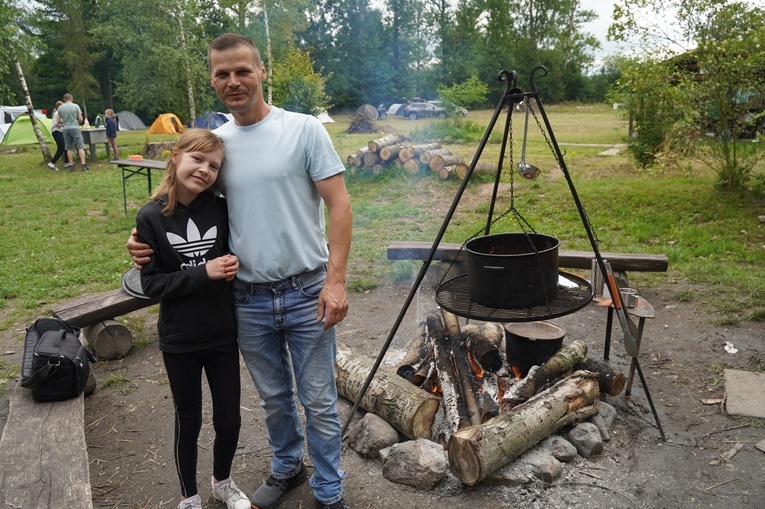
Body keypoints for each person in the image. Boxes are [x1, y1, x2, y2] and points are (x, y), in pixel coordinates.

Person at [128, 33, 353, 509]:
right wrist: (141, 240)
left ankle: (329, 492)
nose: (233, 81)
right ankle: (287, 467)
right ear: (212, 80)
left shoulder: (304, 129)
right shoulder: (219, 146)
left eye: (242, 70)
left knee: (318, 401)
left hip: (306, 288)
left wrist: (335, 281)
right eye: (222, 74)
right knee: (273, 399)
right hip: (246, 299)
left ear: (261, 71)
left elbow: (339, 204)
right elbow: (181, 202)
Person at [135, 128, 251, 509]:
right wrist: (206, 272)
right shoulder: (151, 217)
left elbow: (242, 242)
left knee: (230, 420)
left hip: (221, 333)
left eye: (213, 165)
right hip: (180, 339)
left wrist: (231, 263)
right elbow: (152, 285)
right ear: (175, 157)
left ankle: (222, 481)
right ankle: (189, 496)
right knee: (189, 422)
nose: (204, 169)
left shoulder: (220, 208)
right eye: (197, 159)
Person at [56, 93, 89, 171]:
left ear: (64, 99)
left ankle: (71, 166)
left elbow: (58, 121)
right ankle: (83, 165)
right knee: (80, 146)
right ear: (72, 98)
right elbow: (80, 118)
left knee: (68, 147)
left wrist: (64, 123)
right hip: (75, 127)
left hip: (66, 128)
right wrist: (76, 122)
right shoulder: (76, 106)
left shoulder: (60, 108)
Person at [48, 101, 71, 171]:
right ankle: (52, 163)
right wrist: (65, 124)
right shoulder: (57, 113)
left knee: (65, 147)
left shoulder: (59, 113)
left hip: (59, 131)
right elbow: (57, 124)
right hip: (56, 131)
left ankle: (67, 162)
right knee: (61, 148)